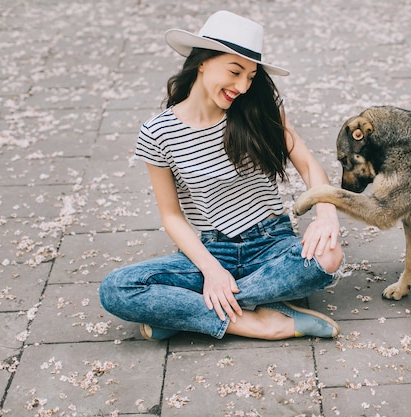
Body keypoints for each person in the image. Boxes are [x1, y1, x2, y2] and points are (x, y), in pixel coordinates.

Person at [99, 11, 344, 341]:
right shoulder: (158, 133)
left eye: (251, 76)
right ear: (202, 62)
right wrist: (212, 271)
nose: (243, 86)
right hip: (214, 252)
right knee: (117, 289)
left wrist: (326, 214)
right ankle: (260, 322)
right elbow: (171, 216)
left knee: (329, 255)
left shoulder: (260, 106)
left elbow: (309, 165)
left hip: (271, 243)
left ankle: (183, 315)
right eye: (234, 71)